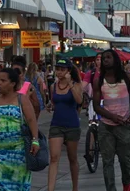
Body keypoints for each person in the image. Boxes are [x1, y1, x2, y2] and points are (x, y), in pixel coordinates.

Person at [0, 68, 39, 191]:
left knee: (16, 187)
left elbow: (31, 120)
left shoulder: (21, 99)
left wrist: (35, 140)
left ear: (12, 83)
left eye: (3, 80)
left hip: (18, 153)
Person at [93, 49, 130, 191]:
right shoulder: (99, 81)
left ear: (115, 60)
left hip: (124, 126)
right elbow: (96, 106)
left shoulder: (127, 78)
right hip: (106, 127)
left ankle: (127, 184)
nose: (105, 60)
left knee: (125, 161)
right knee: (107, 162)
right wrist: (112, 116)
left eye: (108, 57)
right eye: (103, 58)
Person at [47, 59, 83, 191]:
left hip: (72, 124)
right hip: (56, 124)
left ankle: (75, 187)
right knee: (54, 157)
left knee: (72, 158)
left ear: (69, 71)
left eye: (62, 69)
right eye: (58, 69)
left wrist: (70, 84)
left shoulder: (76, 84)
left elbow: (79, 100)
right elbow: (54, 102)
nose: (59, 72)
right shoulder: (53, 86)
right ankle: (50, 189)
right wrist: (50, 106)